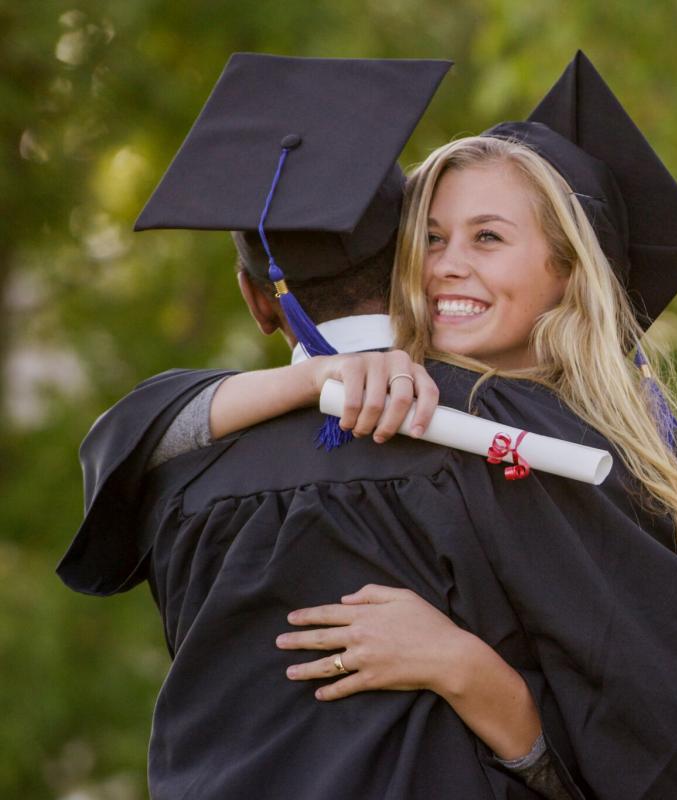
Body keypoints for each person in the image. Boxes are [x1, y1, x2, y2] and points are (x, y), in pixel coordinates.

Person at [197, 51, 677, 798]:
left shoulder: (670, 474)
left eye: (487, 238)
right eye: (432, 239)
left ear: (569, 268)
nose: (446, 267)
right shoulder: (391, 429)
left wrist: (465, 670)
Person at [60, 53, 571, 799]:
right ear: (415, 263)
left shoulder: (176, 468)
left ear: (257, 300)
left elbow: (127, 445)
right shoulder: (513, 441)